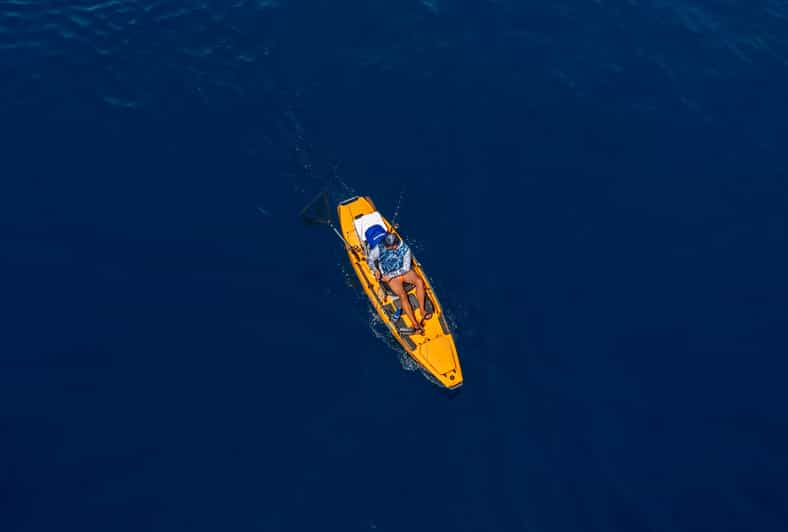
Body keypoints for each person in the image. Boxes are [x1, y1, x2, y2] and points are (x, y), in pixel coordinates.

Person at [364, 226, 432, 333]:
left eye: (388, 247)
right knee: (402, 295)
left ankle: (422, 311)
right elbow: (370, 259)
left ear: (395, 245)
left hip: (402, 272)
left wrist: (391, 276)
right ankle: (415, 324)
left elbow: (405, 268)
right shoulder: (380, 247)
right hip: (388, 273)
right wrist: (375, 269)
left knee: (419, 281)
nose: (386, 248)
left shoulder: (405, 249)